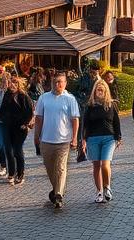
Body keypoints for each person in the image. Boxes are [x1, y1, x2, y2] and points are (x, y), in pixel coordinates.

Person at [34, 71, 81, 210]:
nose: (57, 84)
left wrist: (74, 138)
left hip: (63, 140)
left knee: (61, 167)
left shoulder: (70, 99)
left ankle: (59, 194)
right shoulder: (44, 98)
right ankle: (55, 190)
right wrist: (37, 136)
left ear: (65, 83)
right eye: (55, 82)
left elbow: (75, 120)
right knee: (50, 168)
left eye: (60, 82)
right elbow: (38, 118)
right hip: (47, 139)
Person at [81, 79, 122, 203]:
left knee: (105, 164)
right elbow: (85, 124)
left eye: (102, 89)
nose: (100, 91)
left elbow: (116, 122)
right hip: (93, 138)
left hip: (108, 138)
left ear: (106, 91)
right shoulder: (89, 106)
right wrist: (83, 139)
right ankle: (99, 191)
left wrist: (118, 137)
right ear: (94, 91)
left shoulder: (111, 105)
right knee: (96, 165)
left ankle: (107, 187)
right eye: (98, 89)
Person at [0, 74, 35, 185]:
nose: (13, 85)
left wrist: (26, 123)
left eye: (15, 83)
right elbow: (2, 111)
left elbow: (30, 112)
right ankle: (11, 172)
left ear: (19, 85)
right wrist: (2, 121)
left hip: (20, 128)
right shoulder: (7, 95)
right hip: (7, 126)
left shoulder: (23, 96)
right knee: (8, 150)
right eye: (11, 83)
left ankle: (20, 174)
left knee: (17, 150)